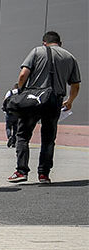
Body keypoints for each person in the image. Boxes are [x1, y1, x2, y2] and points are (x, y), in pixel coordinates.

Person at [7, 31, 80, 184]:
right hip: (55, 100)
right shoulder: (70, 57)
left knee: (23, 135)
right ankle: (44, 174)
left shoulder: (37, 51)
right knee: (48, 139)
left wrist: (21, 91)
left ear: (44, 42)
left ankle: (21, 171)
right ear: (60, 43)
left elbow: (23, 75)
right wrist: (70, 100)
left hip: (34, 98)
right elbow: (75, 84)